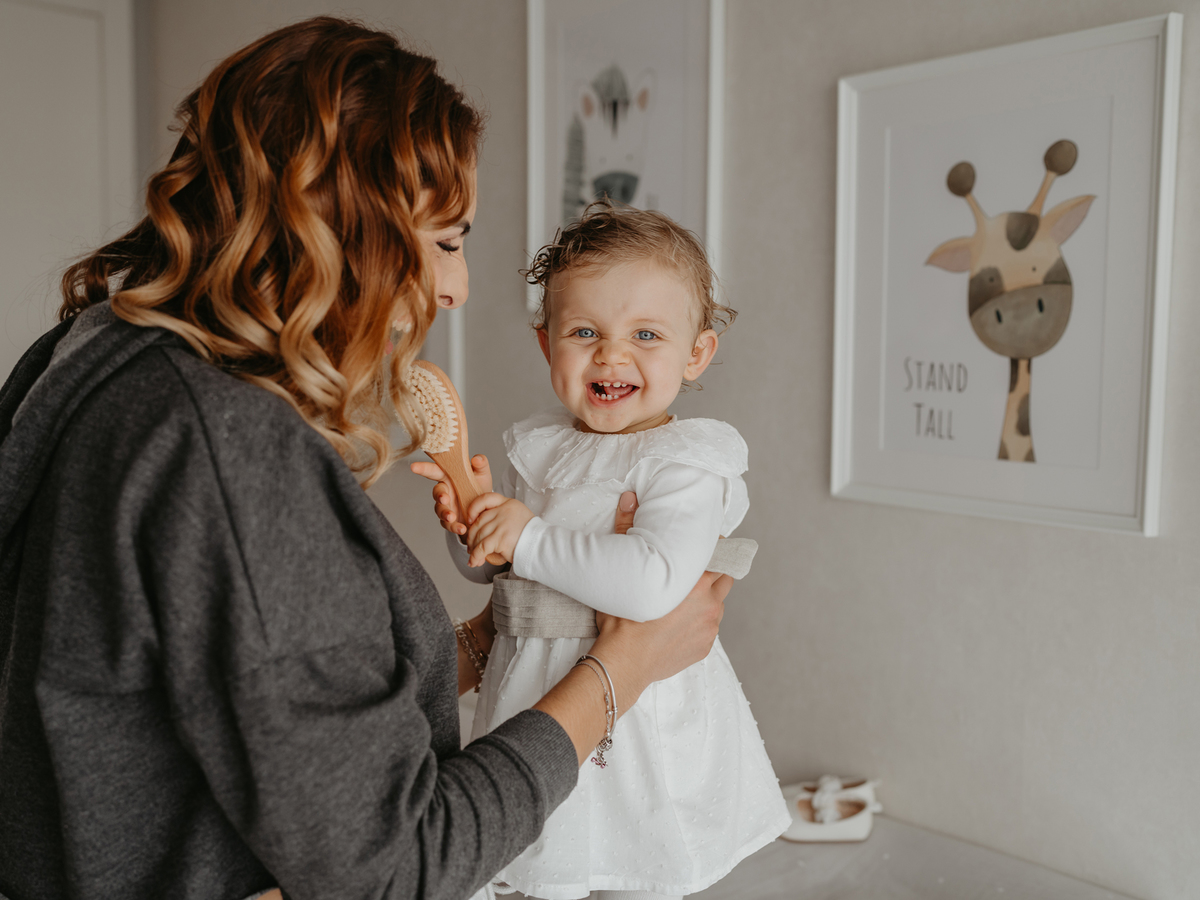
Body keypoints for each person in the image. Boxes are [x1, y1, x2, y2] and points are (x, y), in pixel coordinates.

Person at [0, 19, 732, 900]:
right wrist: (623, 669)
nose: (457, 289)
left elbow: (241, 684)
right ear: (346, 226)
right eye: (449, 241)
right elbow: (395, 866)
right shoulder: (229, 453)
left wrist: (493, 640)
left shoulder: (92, 352)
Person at [415, 203, 790, 900]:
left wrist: (526, 534)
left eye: (646, 334)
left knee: (630, 870)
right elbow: (497, 579)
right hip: (535, 694)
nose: (612, 354)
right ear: (546, 343)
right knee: (539, 866)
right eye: (584, 331)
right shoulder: (542, 447)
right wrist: (475, 522)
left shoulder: (683, 463)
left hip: (637, 722)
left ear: (696, 353)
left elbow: (651, 587)